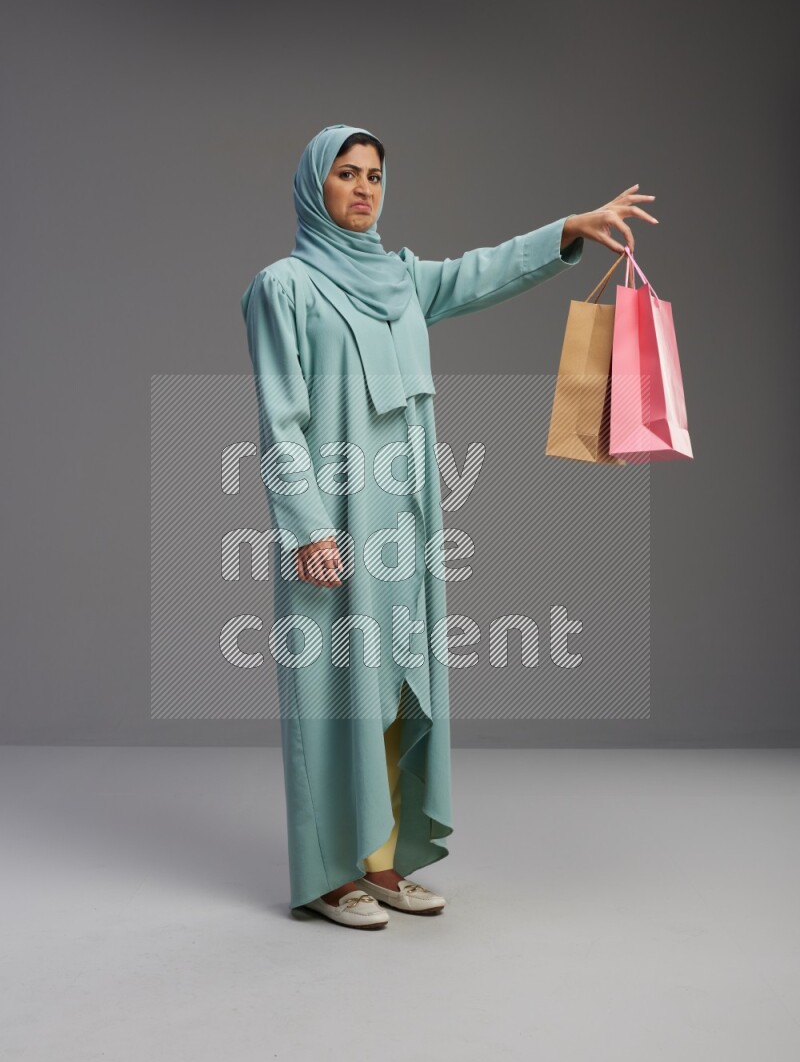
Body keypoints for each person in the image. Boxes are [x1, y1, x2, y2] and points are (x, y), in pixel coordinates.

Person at [241, 123, 656, 930]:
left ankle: (381, 861)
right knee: (334, 693)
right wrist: (306, 527)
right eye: (346, 174)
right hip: (333, 519)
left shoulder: (401, 280)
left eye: (375, 176)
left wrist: (568, 229)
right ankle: (329, 874)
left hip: (408, 514)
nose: (364, 189)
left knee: (398, 682)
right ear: (313, 187)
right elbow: (279, 417)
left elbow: (478, 274)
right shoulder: (281, 286)